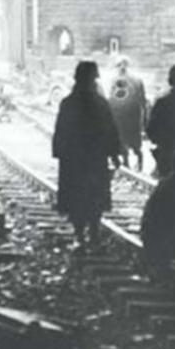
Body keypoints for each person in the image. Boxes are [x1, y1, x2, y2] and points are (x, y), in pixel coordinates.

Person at [53, 60, 123, 251]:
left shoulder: (68, 103)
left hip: (74, 159)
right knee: (94, 197)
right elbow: (110, 130)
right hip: (94, 159)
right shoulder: (100, 104)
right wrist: (115, 153)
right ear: (93, 80)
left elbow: (61, 130)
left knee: (76, 195)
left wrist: (60, 152)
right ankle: (93, 234)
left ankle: (79, 235)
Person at [106, 57, 149, 171]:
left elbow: (111, 99)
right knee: (130, 141)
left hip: (125, 116)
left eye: (122, 64)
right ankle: (133, 164)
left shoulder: (114, 80)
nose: (122, 67)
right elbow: (143, 100)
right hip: (129, 116)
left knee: (126, 140)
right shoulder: (135, 80)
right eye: (120, 65)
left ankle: (130, 164)